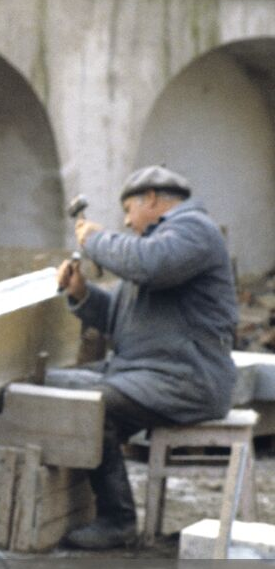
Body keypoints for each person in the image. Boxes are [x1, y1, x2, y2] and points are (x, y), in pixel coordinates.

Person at [55, 165, 238, 549]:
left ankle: (118, 520)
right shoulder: (155, 245)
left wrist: (96, 239)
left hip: (186, 380)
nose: (126, 222)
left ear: (151, 199)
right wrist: (81, 293)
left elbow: (149, 265)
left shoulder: (193, 231)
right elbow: (117, 319)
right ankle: (72, 509)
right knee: (54, 392)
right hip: (151, 374)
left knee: (94, 407)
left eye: (128, 211)